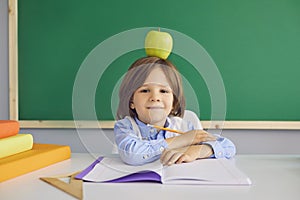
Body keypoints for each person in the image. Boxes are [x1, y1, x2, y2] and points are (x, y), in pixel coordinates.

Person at [114, 56, 236, 166]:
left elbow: (228, 146)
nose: (155, 97)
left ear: (173, 102)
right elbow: (131, 154)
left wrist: (195, 152)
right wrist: (183, 140)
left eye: (164, 91)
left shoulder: (183, 126)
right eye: (145, 90)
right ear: (131, 102)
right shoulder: (125, 127)